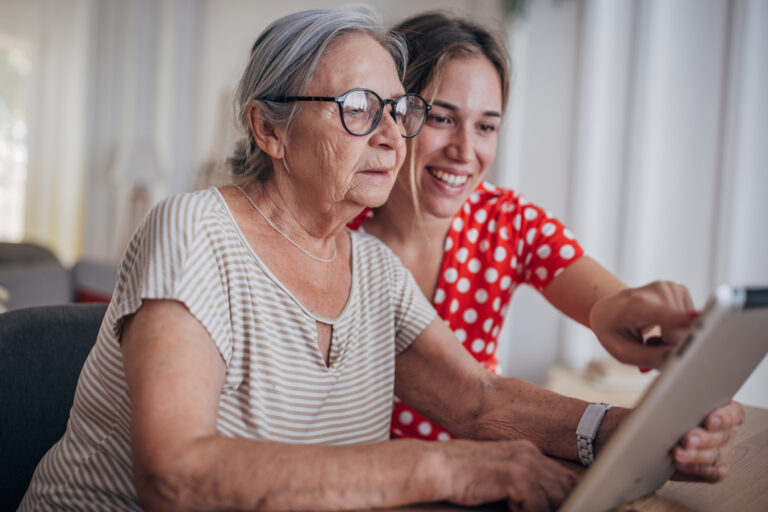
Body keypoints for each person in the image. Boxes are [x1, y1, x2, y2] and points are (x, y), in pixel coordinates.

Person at [20, 6, 742, 512]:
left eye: (399, 112)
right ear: (268, 128)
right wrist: (437, 466)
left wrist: (627, 436)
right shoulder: (193, 230)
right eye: (360, 108)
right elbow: (176, 478)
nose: (393, 137)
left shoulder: (372, 271)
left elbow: (480, 400)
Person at [350, 11, 718, 443]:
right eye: (441, 118)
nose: (465, 151)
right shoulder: (336, 227)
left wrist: (635, 314)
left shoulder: (507, 221)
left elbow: (610, 305)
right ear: (392, 113)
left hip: (482, 476)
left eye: (486, 126)